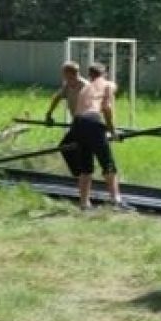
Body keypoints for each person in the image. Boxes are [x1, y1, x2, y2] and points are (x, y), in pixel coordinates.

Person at [44, 61, 124, 210]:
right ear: (104, 74)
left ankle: (84, 204)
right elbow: (106, 108)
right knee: (107, 163)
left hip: (78, 124)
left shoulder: (85, 87)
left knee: (86, 167)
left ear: (89, 75)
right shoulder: (107, 84)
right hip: (92, 122)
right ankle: (116, 201)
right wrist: (113, 132)